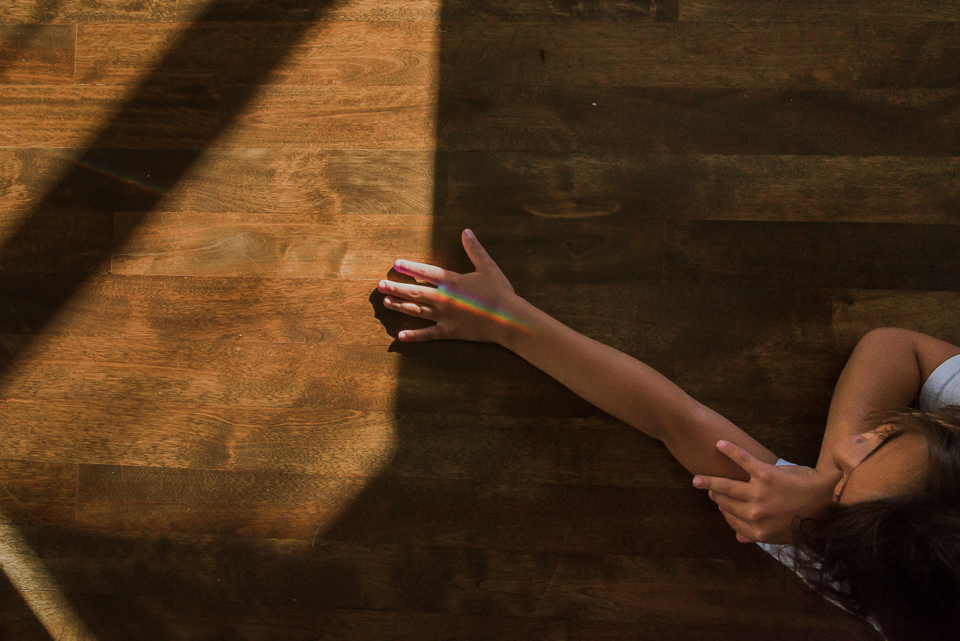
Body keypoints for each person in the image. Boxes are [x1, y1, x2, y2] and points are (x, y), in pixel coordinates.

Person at [378, 229, 960, 641]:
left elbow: (675, 420)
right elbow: (893, 347)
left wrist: (509, 321)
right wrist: (829, 486)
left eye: (847, 478)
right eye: (884, 437)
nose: (842, 446)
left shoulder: (886, 575)